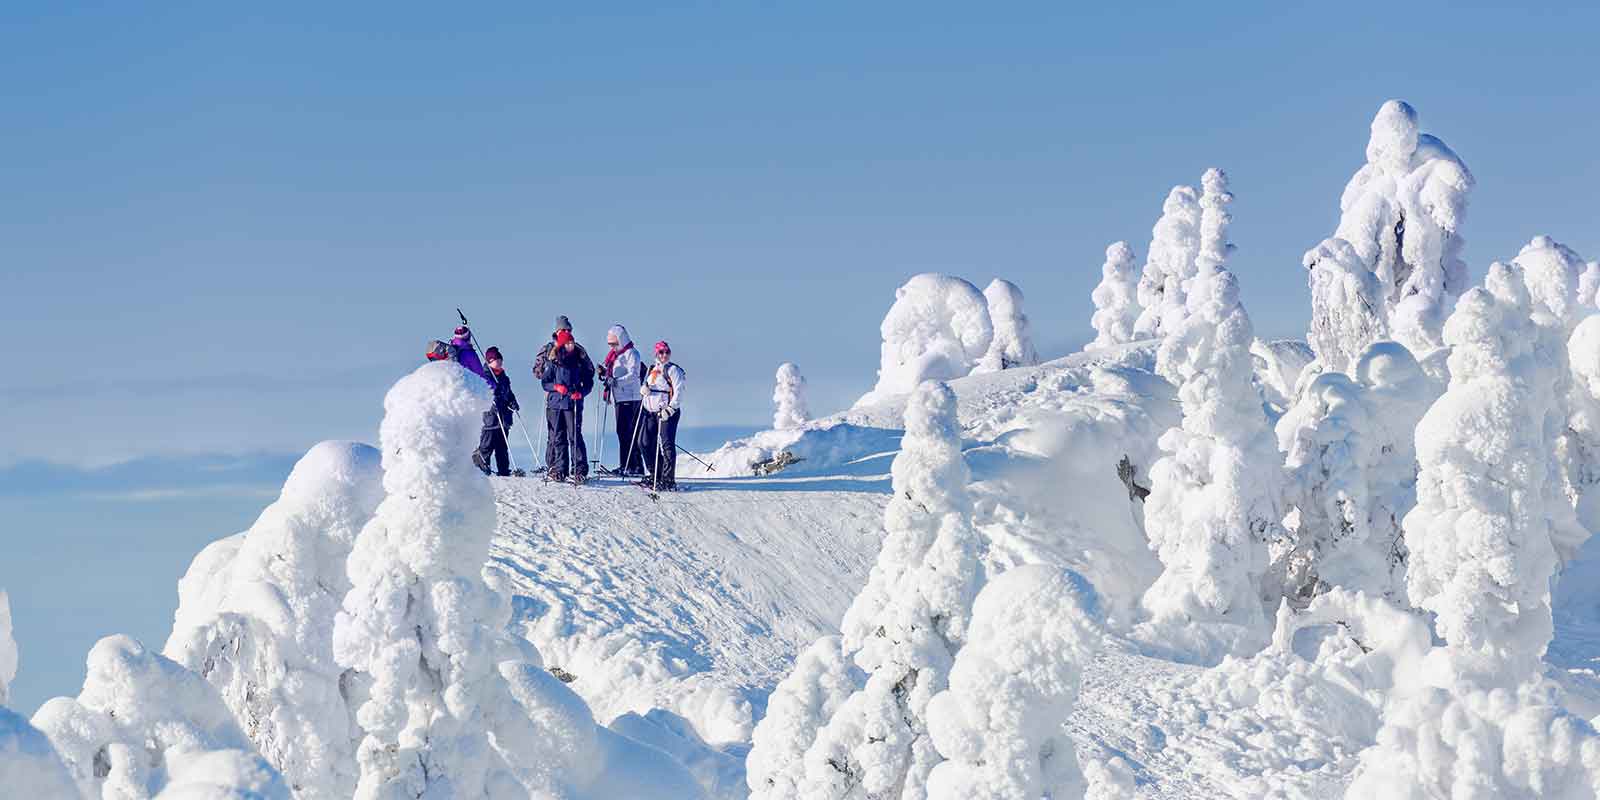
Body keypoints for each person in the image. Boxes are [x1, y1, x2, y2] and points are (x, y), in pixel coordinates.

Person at [541, 329, 595, 483]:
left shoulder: (579, 360)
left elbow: (589, 381)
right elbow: (545, 382)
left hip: (573, 403)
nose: (571, 345)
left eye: (572, 342)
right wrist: (556, 387)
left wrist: (581, 392)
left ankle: (579, 469)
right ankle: (560, 469)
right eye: (568, 343)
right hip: (555, 404)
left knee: (575, 436)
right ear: (563, 345)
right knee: (558, 436)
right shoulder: (553, 361)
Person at [599, 324, 646, 476]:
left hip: (631, 398)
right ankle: (626, 465)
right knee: (622, 432)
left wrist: (616, 381)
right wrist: (605, 375)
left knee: (631, 432)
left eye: (614, 343)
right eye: (610, 344)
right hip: (620, 398)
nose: (612, 347)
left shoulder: (632, 354)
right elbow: (614, 375)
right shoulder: (615, 356)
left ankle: (636, 466)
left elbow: (634, 375)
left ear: (621, 339)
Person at [639, 340, 685, 491]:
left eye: (667, 352)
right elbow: (647, 386)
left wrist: (670, 409)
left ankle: (668, 479)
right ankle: (655, 473)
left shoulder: (673, 370)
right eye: (661, 352)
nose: (664, 355)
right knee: (644, 442)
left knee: (667, 445)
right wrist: (644, 389)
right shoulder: (652, 369)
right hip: (650, 412)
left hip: (667, 412)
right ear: (656, 354)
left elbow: (679, 392)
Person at [473, 346, 519, 477]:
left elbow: (508, 393)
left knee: (502, 448)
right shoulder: (484, 376)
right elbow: (484, 394)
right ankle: (481, 467)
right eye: (495, 360)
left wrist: (513, 401)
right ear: (489, 361)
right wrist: (491, 403)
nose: (498, 362)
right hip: (491, 418)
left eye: (500, 360)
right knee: (487, 445)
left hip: (504, 417)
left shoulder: (504, 377)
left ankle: (504, 471)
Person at [532, 315, 575, 382]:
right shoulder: (547, 349)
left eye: (569, 330)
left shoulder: (578, 349)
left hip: (574, 390)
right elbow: (537, 373)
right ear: (557, 332)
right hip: (553, 390)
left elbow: (589, 371)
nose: (566, 332)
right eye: (563, 330)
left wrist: (581, 390)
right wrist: (549, 368)